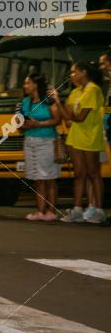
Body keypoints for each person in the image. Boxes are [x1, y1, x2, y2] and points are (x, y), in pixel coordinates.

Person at [53, 62, 106, 224]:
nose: (72, 75)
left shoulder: (93, 90)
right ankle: (77, 210)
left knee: (93, 173)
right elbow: (66, 115)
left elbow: (79, 117)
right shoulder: (75, 92)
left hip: (90, 137)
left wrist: (64, 110)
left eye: (74, 72)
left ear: (84, 72)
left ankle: (99, 210)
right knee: (79, 174)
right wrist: (57, 101)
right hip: (75, 138)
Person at [20, 74, 61, 221]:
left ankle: (51, 211)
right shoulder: (25, 102)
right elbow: (21, 121)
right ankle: (40, 210)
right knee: (36, 177)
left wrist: (39, 124)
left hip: (47, 140)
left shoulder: (48, 100)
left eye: (28, 83)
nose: (25, 86)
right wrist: (24, 125)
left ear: (36, 84)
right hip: (30, 141)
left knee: (49, 177)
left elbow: (57, 120)